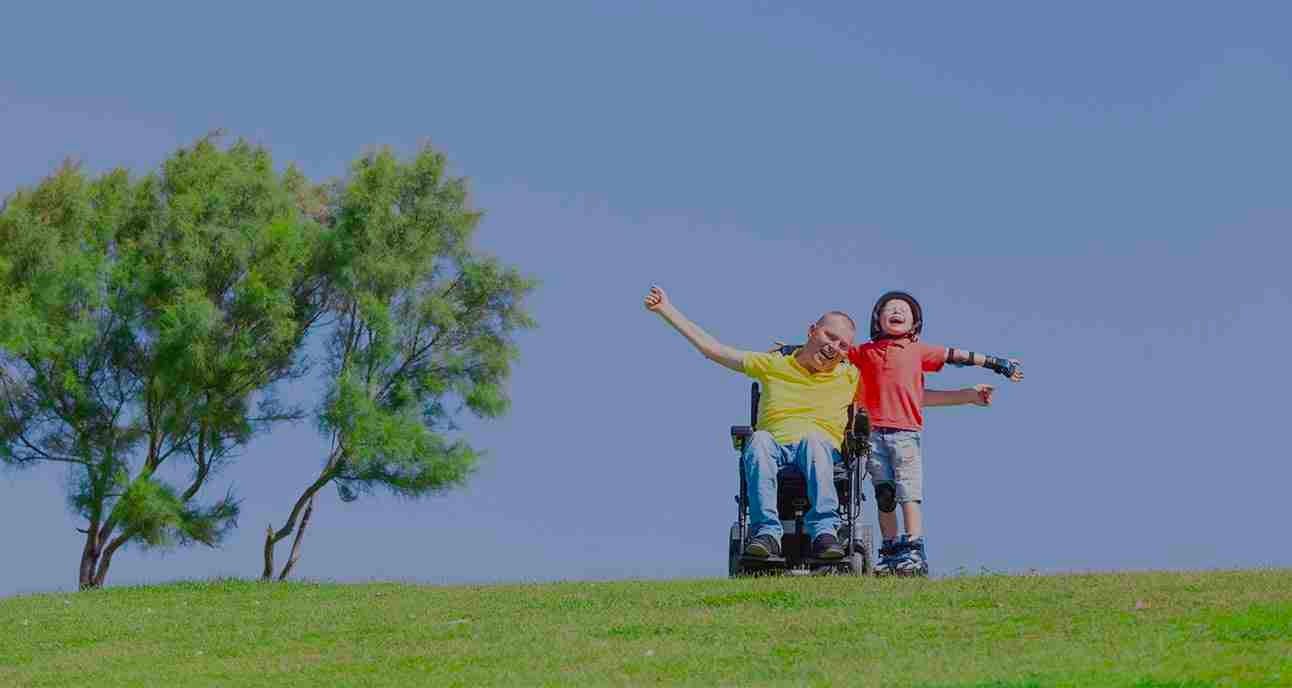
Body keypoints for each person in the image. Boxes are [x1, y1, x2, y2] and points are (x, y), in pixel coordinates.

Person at [643, 285, 992, 562]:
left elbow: (906, 395)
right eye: (829, 337)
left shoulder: (850, 376)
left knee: (813, 441)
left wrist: (967, 396)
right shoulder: (773, 365)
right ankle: (766, 534)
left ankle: (825, 531)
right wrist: (666, 310)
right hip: (774, 449)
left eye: (843, 345)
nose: (835, 347)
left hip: (822, 452)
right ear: (812, 331)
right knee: (759, 441)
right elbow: (713, 350)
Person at [846, 291, 1024, 576]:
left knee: (908, 492)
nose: (897, 311)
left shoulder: (917, 351)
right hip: (872, 434)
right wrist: (791, 351)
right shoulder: (865, 353)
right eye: (890, 308)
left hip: (905, 433)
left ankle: (913, 548)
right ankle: (890, 552)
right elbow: (831, 351)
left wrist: (995, 363)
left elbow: (956, 355)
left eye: (904, 309)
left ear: (915, 323)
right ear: (877, 320)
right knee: (884, 493)